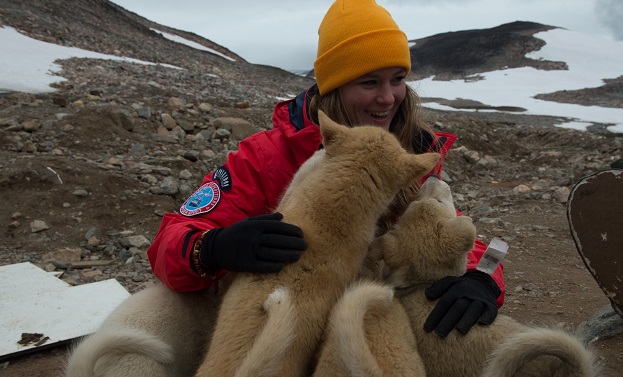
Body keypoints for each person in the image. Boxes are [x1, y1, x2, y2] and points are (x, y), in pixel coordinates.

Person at [148, 0, 505, 338]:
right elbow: (171, 238)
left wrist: (484, 279)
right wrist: (212, 248)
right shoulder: (269, 155)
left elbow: (449, 231)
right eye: (369, 82)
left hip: (370, 318)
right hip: (284, 321)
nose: (387, 97)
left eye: (397, 79)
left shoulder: (410, 154)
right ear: (334, 87)